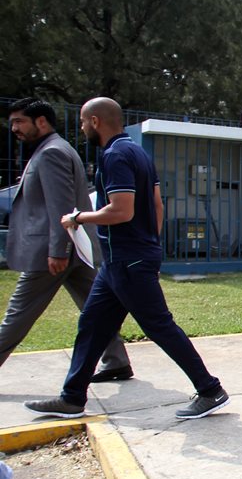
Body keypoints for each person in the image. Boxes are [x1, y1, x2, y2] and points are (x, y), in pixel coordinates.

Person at [24, 97, 228, 420]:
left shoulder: (115, 156)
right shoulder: (138, 153)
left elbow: (122, 210)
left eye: (82, 122)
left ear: (95, 122)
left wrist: (78, 218)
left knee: (160, 326)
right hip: (121, 262)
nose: (80, 128)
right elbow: (157, 205)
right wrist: (151, 245)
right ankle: (72, 397)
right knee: (91, 324)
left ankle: (210, 389)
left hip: (128, 261)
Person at [0, 99, 131, 379]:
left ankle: (116, 359)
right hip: (74, 249)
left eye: (19, 122)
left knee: (17, 314)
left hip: (56, 252)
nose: (14, 129)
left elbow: (62, 207)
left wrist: (58, 250)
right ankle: (116, 359)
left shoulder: (52, 153)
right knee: (97, 308)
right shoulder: (55, 150)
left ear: (42, 122)